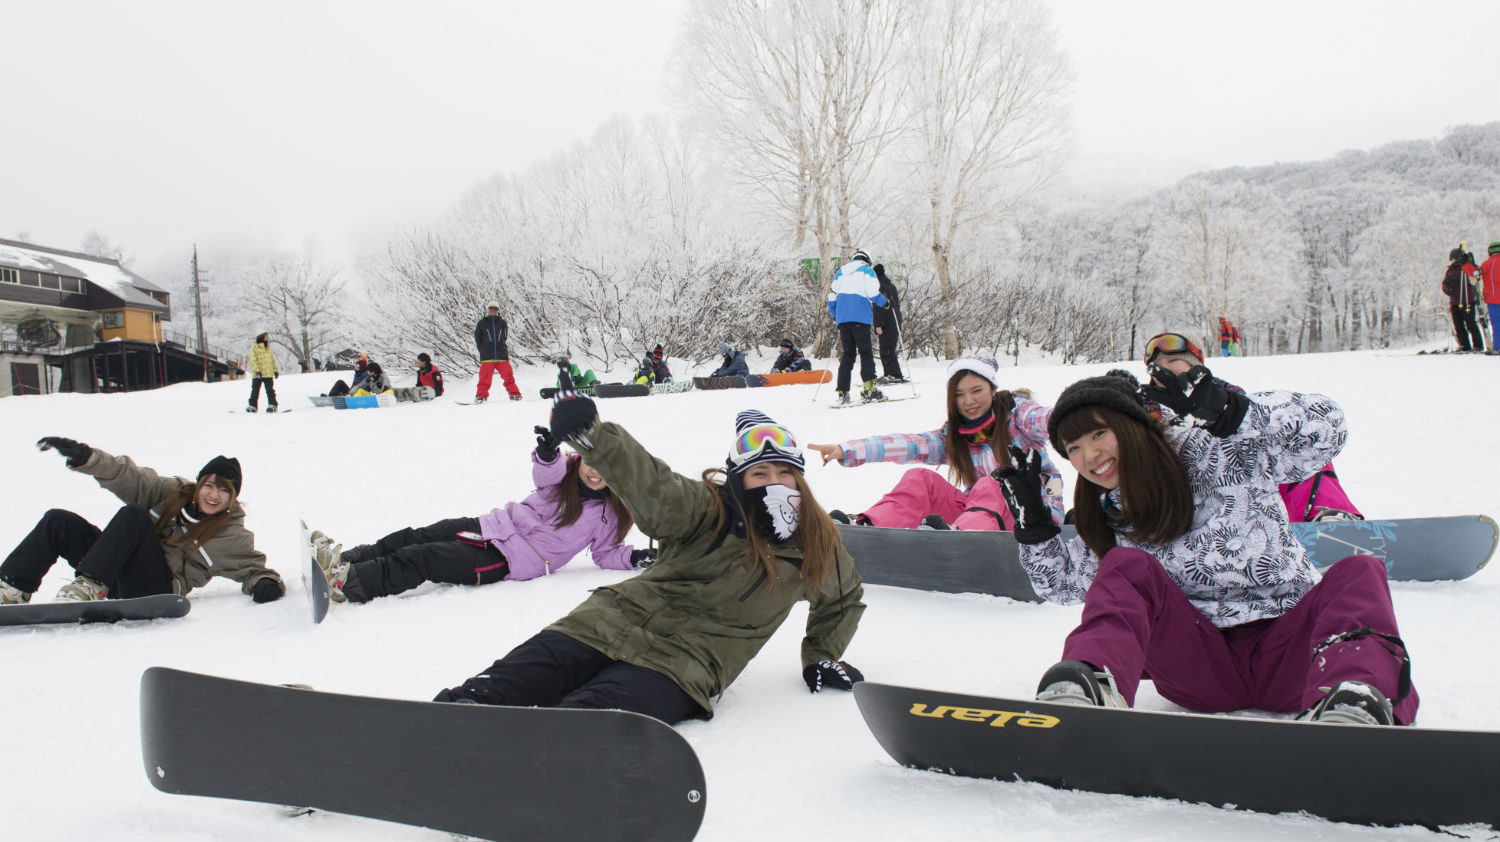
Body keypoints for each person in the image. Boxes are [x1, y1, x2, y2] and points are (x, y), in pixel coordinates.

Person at [993, 368, 1418, 726]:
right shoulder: (1110, 512)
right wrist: (1036, 530)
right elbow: (1065, 587)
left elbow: (1328, 429)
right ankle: (1089, 689)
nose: (1089, 457)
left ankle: (1356, 702)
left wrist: (1238, 412)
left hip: (1292, 655)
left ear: (1132, 426)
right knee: (1125, 564)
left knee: (1360, 572)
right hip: (1199, 667)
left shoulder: (1222, 449)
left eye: (1098, 434)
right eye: (1074, 449)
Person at [431, 403, 866, 724]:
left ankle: (542, 775)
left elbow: (843, 599)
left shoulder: (816, 544)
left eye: (783, 472)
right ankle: (445, 729)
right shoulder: (708, 509)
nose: (773, 483)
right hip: (606, 620)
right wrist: (597, 442)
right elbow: (658, 492)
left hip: (686, 663)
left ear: (800, 479)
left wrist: (821, 655)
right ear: (738, 479)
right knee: (503, 686)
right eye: (759, 474)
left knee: (585, 720)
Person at [309, 427, 650, 604]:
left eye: (606, 470)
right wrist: (547, 453)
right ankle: (344, 559)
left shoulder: (610, 514)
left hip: (510, 560)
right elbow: (547, 472)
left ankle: (347, 583)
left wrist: (636, 556)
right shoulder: (563, 475)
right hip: (493, 526)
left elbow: (606, 554)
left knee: (423, 557)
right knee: (417, 535)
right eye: (592, 464)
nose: (595, 474)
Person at [0, 439, 284, 605]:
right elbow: (129, 476)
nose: (214, 495)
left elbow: (253, 568)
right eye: (210, 486)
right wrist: (87, 458)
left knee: (135, 516)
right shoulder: (170, 493)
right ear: (198, 485)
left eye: (225, 490)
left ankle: (90, 587)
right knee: (58, 521)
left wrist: (266, 584)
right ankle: (11, 588)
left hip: (155, 589)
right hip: (119, 572)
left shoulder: (229, 533)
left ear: (232, 498)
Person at [808, 355, 1063, 531]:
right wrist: (847, 449)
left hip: (1033, 518)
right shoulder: (955, 435)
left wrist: (1078, 417)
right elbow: (909, 445)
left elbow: (1050, 420)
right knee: (921, 478)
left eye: (977, 391)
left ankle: (965, 535)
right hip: (978, 516)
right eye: (959, 395)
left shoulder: (1019, 418)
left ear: (993, 389)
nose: (969, 401)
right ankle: (872, 527)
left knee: (991, 483)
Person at [1142, 332, 1362, 522]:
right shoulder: (1147, 409)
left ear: (1196, 365)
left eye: (1172, 362)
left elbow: (1318, 422)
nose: (1163, 370)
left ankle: (1327, 514)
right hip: (1187, 504)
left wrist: (1230, 412)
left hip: (1249, 499)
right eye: (1156, 367)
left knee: (1289, 439)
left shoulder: (1232, 400)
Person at [826, 250, 888, 404]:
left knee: (848, 355)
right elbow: (873, 294)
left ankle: (843, 391)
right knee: (866, 353)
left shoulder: (840, 272)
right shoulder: (867, 271)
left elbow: (832, 296)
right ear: (867, 260)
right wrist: (885, 303)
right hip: (860, 318)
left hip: (843, 319)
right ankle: (869, 389)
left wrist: (836, 315)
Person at [475, 301, 522, 403]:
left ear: (498, 310)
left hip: (502, 355)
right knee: (484, 379)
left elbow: (504, 337)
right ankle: (481, 396)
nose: (493, 310)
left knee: (508, 377)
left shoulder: (502, 323)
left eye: (495, 309)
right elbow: (478, 340)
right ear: (488, 310)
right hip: (487, 357)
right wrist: (483, 351)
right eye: (491, 308)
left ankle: (515, 394)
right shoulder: (481, 323)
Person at [1442, 247, 1485, 352]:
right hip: (1455, 302)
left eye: (1454, 259)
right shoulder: (1450, 270)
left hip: (1467, 300)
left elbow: (1477, 274)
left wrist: (1467, 264)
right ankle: (1465, 346)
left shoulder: (1467, 267)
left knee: (1471, 324)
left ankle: (1478, 346)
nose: (1453, 262)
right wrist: (1446, 288)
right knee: (1458, 326)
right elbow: (1445, 283)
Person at [872, 263, 905, 384]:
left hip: (887, 323)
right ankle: (890, 373)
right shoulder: (891, 285)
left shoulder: (879, 287)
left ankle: (894, 374)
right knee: (889, 349)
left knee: (886, 350)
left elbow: (880, 307)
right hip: (895, 321)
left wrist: (878, 324)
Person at [246, 332, 279, 413]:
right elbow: (253, 360)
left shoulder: (268, 348)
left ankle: (272, 404)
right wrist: (257, 370)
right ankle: (253, 406)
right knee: (255, 390)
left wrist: (275, 370)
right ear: (261, 337)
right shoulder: (254, 347)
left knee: (270, 390)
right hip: (258, 373)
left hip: (268, 372)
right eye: (266, 337)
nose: (267, 338)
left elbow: (272, 360)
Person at [1481, 241, 1500, 353]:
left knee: (1497, 324)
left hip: (1493, 299)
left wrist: (1466, 264)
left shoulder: (1487, 264)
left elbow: (1475, 273)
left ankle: (1497, 347)